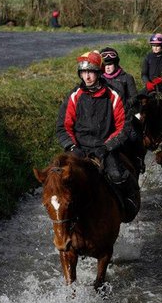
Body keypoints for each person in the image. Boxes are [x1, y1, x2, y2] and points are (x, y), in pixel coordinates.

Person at [56, 50, 139, 212]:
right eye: (83, 72)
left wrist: (107, 146)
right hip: (79, 148)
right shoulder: (74, 95)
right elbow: (63, 126)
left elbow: (124, 125)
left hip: (105, 148)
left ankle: (127, 205)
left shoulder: (113, 95)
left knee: (117, 176)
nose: (87, 77)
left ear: (99, 73)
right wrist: (72, 147)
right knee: (60, 179)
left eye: (91, 72)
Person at [100, 46, 145, 174]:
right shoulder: (100, 80)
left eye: (110, 64)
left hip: (125, 116)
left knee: (134, 136)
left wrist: (123, 104)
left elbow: (134, 97)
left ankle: (138, 160)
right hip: (106, 117)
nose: (108, 67)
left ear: (116, 63)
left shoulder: (127, 78)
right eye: (105, 65)